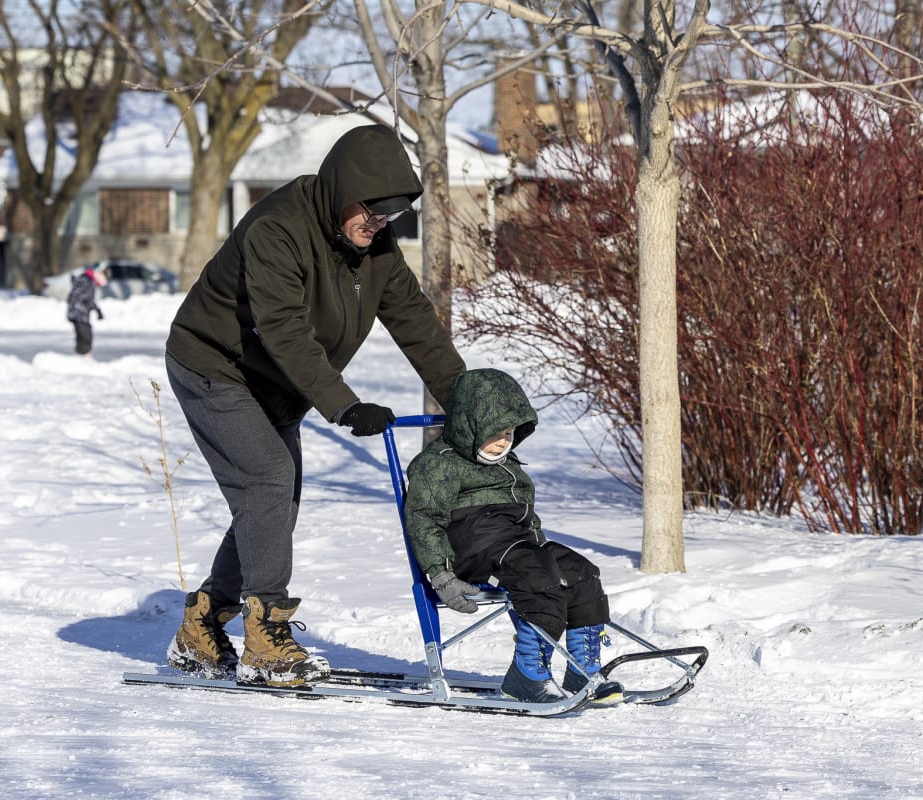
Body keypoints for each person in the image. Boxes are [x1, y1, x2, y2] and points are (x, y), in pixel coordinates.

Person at [163, 124, 465, 688]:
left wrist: (470, 402)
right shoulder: (278, 227)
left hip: (279, 382)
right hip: (216, 366)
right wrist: (344, 406)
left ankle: (203, 624)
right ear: (340, 189)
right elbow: (283, 329)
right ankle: (267, 637)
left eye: (390, 216)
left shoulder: (372, 246)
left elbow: (415, 323)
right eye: (370, 211)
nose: (377, 225)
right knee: (270, 483)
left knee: (274, 502)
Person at [403, 368, 624, 705]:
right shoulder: (437, 465)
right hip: (471, 551)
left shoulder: (509, 464)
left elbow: (526, 517)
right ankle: (526, 676)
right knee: (539, 577)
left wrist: (546, 554)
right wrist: (442, 575)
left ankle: (583, 669)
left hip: (516, 547)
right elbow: (424, 519)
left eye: (508, 432)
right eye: (495, 432)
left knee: (581, 572)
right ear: (470, 427)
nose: (504, 440)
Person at [66, 266, 106, 356]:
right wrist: (97, 310)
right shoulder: (88, 282)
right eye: (104, 277)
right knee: (86, 338)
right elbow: (86, 299)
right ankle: (83, 359)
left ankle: (81, 357)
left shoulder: (85, 280)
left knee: (83, 338)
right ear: (98, 274)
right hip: (79, 313)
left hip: (76, 312)